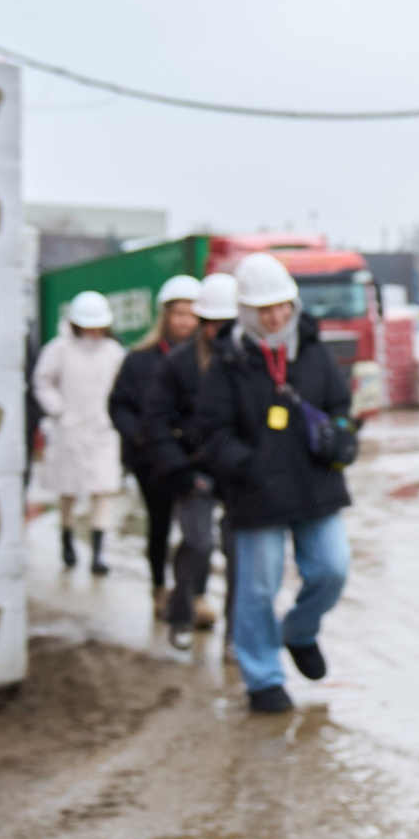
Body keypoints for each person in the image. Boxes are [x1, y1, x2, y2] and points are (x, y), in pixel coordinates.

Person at [193, 253, 357, 714]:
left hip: (315, 485)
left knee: (332, 568)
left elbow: (341, 403)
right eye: (265, 309)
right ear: (246, 312)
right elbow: (210, 433)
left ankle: (300, 631)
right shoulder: (228, 362)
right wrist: (249, 466)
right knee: (258, 588)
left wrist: (341, 434)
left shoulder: (313, 349)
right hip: (257, 493)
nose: (276, 316)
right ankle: (263, 677)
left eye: (283, 305)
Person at [142, 271, 238, 647]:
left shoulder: (248, 363)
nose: (219, 331)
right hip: (193, 469)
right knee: (198, 543)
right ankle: (181, 612)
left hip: (235, 471)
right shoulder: (178, 364)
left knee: (239, 553)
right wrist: (179, 469)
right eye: (212, 323)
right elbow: (155, 420)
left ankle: (237, 634)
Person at [110, 275, 204, 615]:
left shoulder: (210, 360)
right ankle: (159, 588)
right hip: (151, 460)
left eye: (192, 314)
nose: (185, 321)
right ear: (165, 316)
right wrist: (139, 434)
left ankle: (194, 594)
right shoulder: (139, 360)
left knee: (197, 532)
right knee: (160, 524)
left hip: (192, 457)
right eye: (179, 314)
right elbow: (119, 404)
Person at [31, 290, 129, 577]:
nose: (94, 330)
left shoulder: (113, 352)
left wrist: (118, 418)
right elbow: (42, 381)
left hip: (103, 430)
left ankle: (98, 552)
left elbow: (125, 388)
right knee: (69, 490)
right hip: (70, 431)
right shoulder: (58, 349)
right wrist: (57, 409)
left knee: (104, 490)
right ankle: (67, 536)